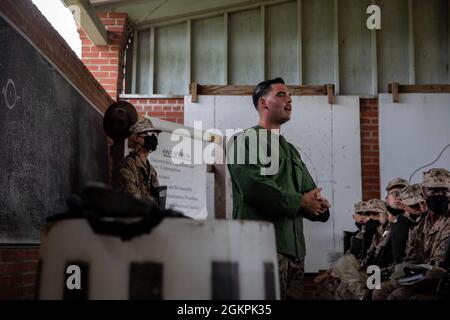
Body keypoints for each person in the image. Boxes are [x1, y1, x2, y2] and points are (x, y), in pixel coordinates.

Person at [227, 77, 330, 300]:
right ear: (263, 103)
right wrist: (302, 202)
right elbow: (254, 188)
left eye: (290, 96)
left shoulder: (291, 150)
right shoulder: (245, 140)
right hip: (261, 249)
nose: (289, 100)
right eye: (281, 95)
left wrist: (319, 206)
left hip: (295, 252)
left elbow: (309, 190)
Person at [112, 118, 161, 204]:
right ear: (137, 138)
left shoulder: (152, 171)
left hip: (146, 216)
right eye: (149, 133)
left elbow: (157, 202)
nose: (153, 137)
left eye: (155, 134)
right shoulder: (127, 165)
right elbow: (133, 201)